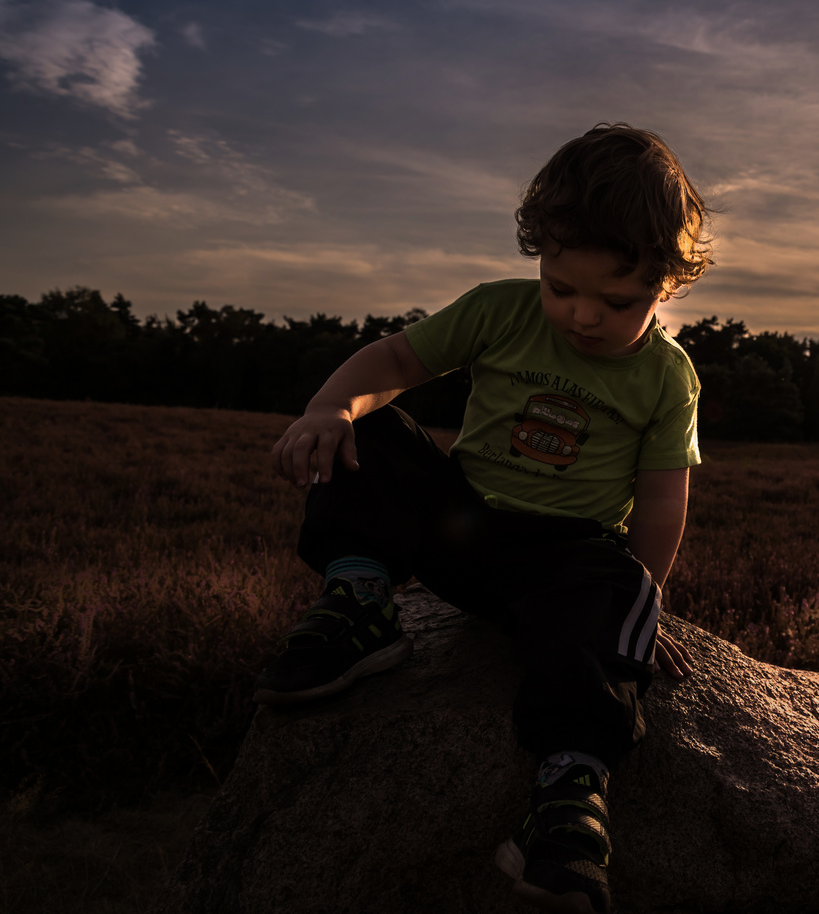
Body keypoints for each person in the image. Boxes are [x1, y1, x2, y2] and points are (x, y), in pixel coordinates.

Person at [255, 122, 710, 914]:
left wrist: (636, 609)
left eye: (617, 300)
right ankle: (360, 605)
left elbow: (664, 497)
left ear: (666, 283)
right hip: (461, 532)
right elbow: (397, 363)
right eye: (561, 287)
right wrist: (331, 406)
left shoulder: (667, 378)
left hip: (564, 562)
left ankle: (568, 801)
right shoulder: (500, 312)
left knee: (609, 590)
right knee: (373, 432)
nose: (583, 315)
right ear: (539, 255)